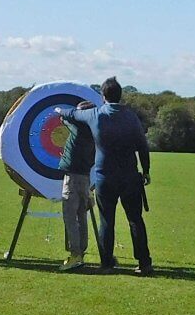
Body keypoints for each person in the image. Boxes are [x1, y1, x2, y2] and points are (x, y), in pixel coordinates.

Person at [56, 77, 152, 275]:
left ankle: (107, 264)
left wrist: (59, 111)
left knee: (107, 220)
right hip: (130, 177)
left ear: (103, 96)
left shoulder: (96, 114)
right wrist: (147, 171)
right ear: (120, 95)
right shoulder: (131, 117)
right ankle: (144, 263)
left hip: (105, 178)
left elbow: (72, 114)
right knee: (135, 219)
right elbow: (142, 145)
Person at [58, 100, 96, 272]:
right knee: (81, 215)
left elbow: (65, 116)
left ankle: (75, 255)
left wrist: (60, 111)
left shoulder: (79, 126)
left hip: (72, 178)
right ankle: (81, 253)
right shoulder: (95, 129)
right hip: (85, 178)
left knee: (70, 216)